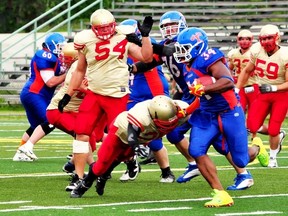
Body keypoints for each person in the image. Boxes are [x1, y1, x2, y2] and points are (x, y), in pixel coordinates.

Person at [173, 27, 269, 207]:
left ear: (198, 47)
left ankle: (257, 147)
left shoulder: (208, 58)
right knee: (196, 150)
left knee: (240, 159)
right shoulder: (188, 66)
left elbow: (227, 81)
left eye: (185, 48)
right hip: (207, 114)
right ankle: (220, 193)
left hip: (229, 112)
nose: (181, 52)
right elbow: (199, 97)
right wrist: (186, 111)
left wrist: (205, 88)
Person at [57, 9, 154, 182]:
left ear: (114, 24)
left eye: (108, 27)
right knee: (81, 133)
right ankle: (78, 177)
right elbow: (80, 69)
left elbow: (146, 58)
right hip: (93, 93)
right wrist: (68, 94)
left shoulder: (124, 35)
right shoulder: (85, 39)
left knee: (119, 138)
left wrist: (145, 37)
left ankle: (130, 161)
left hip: (117, 95)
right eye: (101, 28)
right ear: (93, 28)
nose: (105, 31)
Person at [69, 95, 200, 198]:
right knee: (102, 163)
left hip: (144, 136)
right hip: (121, 132)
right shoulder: (141, 115)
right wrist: (137, 147)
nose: (167, 125)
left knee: (120, 157)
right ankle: (85, 183)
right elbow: (132, 134)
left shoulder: (180, 110)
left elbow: (196, 111)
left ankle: (104, 177)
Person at [118, 18, 175, 183]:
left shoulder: (147, 42)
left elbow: (154, 56)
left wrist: (140, 40)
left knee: (153, 136)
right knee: (123, 129)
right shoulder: (119, 45)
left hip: (152, 90)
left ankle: (167, 171)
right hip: (131, 92)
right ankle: (131, 163)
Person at [236, 24, 288, 168]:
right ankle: (279, 137)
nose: (266, 42)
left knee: (273, 128)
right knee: (252, 125)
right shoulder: (256, 50)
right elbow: (247, 71)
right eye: (263, 39)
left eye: (269, 38)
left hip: (281, 94)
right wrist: (237, 88)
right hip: (263, 92)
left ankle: (272, 157)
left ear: (277, 37)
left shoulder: (285, 55)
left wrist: (274, 87)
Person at [13, 32, 67, 161]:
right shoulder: (44, 55)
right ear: (51, 46)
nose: (61, 50)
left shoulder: (56, 58)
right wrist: (69, 74)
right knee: (51, 120)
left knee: (36, 125)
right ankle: (28, 147)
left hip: (38, 95)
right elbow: (51, 82)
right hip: (34, 93)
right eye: (59, 46)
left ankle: (19, 153)